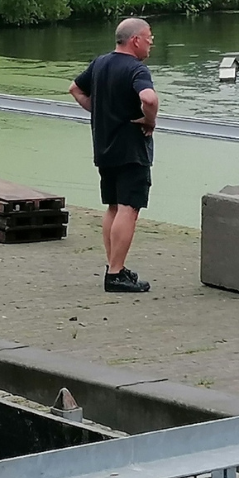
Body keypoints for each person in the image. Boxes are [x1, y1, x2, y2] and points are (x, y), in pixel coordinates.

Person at [69, 18, 159, 293]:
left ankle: (113, 266)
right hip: (131, 149)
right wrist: (149, 120)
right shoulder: (136, 69)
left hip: (104, 146)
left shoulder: (100, 63)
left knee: (112, 207)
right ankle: (116, 273)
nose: (151, 41)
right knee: (129, 208)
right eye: (149, 36)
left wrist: (98, 112)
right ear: (135, 40)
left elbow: (75, 88)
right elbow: (150, 99)